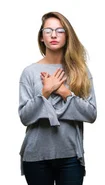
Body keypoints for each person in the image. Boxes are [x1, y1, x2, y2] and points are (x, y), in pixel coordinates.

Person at [18, 11, 97, 185]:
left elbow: (91, 114)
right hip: (36, 156)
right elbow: (25, 117)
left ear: (67, 36)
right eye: (48, 31)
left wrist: (64, 91)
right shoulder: (29, 72)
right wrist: (45, 92)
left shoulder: (81, 72)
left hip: (70, 157)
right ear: (41, 37)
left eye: (60, 31)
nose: (54, 35)